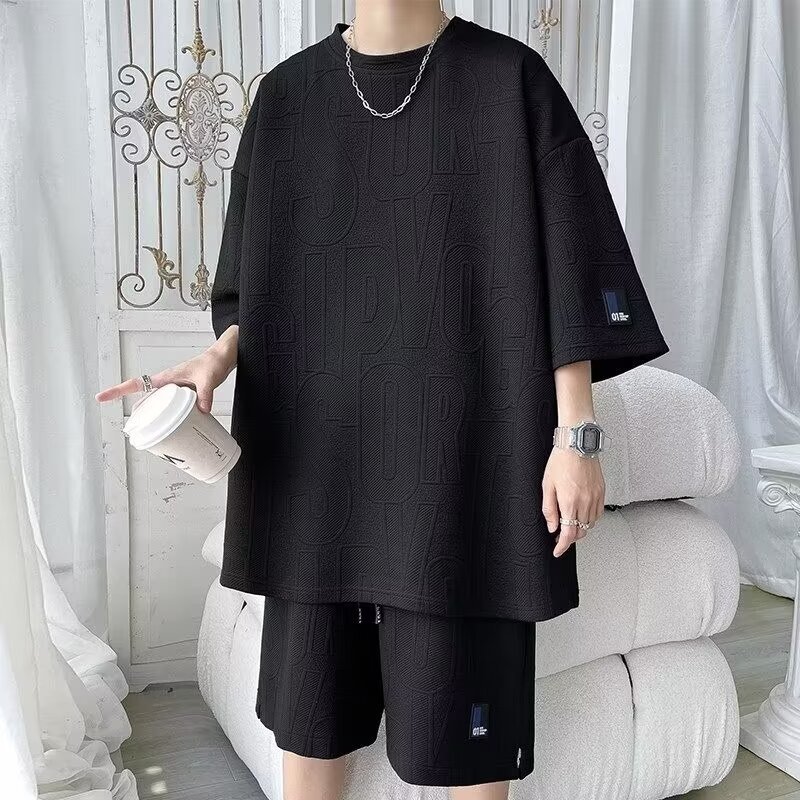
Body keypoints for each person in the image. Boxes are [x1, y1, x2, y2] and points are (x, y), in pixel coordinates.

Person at [98, 3, 669, 798]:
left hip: (466, 456)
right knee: (312, 719)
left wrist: (576, 435)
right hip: (316, 458)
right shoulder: (288, 97)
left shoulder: (510, 80)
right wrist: (218, 357)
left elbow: (568, 263)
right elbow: (257, 278)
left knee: (467, 730)